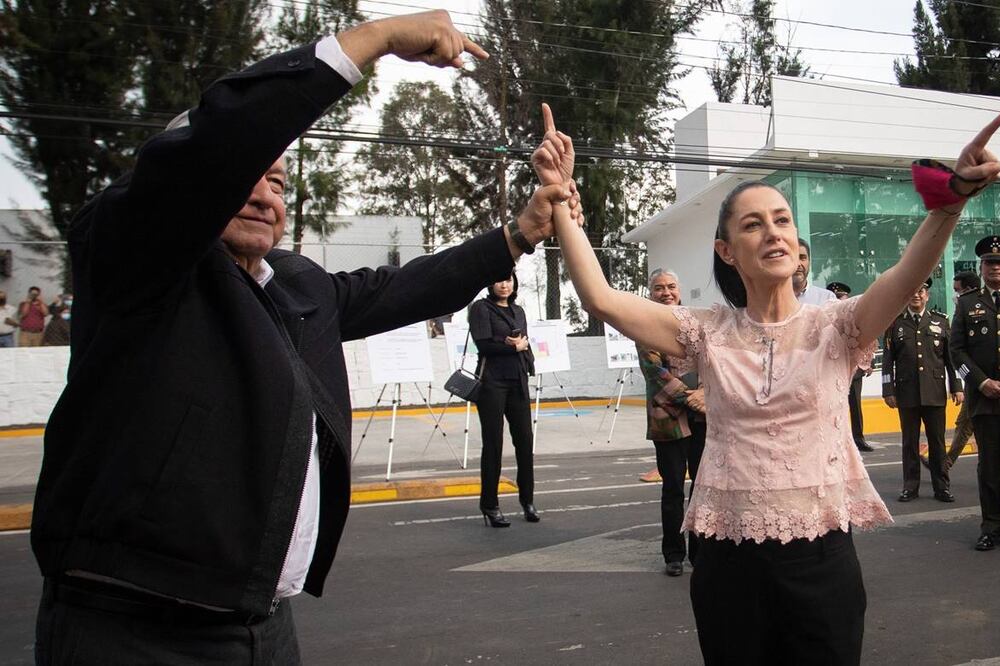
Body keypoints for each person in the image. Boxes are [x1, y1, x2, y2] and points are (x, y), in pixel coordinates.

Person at [31, 12, 584, 664]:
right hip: (133, 629)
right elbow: (217, 144)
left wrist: (519, 232)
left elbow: (409, 287)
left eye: (279, 183)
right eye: (249, 174)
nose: (265, 195)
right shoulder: (135, 255)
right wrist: (372, 40)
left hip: (262, 625)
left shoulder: (296, 285)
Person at [536, 99, 1000, 662]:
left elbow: (905, 276)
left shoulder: (839, 325)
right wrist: (560, 199)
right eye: (754, 225)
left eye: (782, 220)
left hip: (820, 557)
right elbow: (602, 299)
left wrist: (949, 201)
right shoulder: (703, 332)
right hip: (724, 556)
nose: (774, 233)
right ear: (726, 251)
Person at [949, 235, 1000, 553]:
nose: (995, 267)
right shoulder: (968, 303)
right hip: (984, 401)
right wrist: (980, 382)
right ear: (981, 268)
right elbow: (956, 350)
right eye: (989, 262)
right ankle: (991, 529)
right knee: (988, 469)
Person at [636, 268, 706, 576]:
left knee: (703, 488)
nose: (666, 292)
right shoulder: (644, 327)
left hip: (702, 418)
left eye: (671, 286)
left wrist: (705, 392)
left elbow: (709, 361)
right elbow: (654, 373)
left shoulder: (693, 323)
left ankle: (701, 553)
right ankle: (673, 554)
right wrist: (691, 396)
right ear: (650, 293)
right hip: (669, 421)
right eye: (659, 287)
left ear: (679, 289)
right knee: (673, 489)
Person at [882, 277, 962, 503]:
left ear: (927, 295)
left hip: (934, 392)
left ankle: (942, 487)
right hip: (906, 392)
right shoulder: (895, 324)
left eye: (921, 291)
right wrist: (888, 389)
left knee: (937, 443)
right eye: (913, 292)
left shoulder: (940, 322)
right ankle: (910, 486)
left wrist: (956, 387)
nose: (917, 295)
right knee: (909, 442)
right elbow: (888, 361)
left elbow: (950, 360)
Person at [468, 272, 538, 527]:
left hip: (518, 381)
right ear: (490, 283)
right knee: (493, 444)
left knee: (525, 442)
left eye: (508, 279)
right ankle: (490, 505)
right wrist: (511, 346)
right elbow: (483, 345)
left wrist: (524, 350)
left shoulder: (518, 310)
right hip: (492, 383)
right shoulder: (480, 308)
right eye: (499, 280)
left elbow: (525, 344)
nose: (504, 284)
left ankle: (527, 501)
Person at [829, 282, 875, 453]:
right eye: (839, 298)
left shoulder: (852, 315)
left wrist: (869, 362)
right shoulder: (827, 315)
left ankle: (858, 438)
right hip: (832, 369)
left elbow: (866, 336)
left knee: (855, 405)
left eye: (843, 298)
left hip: (855, 369)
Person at [945, 270, 981, 469]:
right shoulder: (963, 312)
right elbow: (956, 351)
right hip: (974, 379)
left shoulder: (985, 311)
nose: (955, 296)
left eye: (958, 291)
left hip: (990, 380)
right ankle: (947, 462)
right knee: (966, 423)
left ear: (969, 290)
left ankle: (946, 462)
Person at [793, 239, 837, 305]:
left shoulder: (827, 298)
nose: (798, 264)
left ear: (809, 262)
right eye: (793, 258)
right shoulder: (773, 298)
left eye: (802, 258)